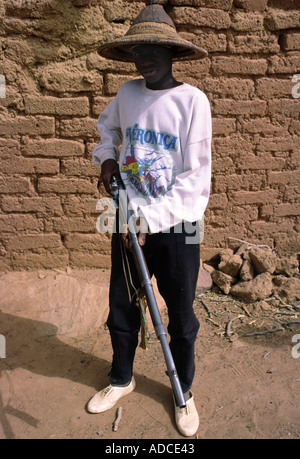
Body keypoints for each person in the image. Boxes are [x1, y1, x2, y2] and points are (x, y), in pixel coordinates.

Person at [87, 1, 212, 437]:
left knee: (180, 314)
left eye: (155, 50)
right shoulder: (127, 94)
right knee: (121, 306)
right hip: (127, 220)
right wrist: (105, 159)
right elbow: (108, 133)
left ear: (173, 54)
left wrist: (150, 219)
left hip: (178, 225)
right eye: (138, 51)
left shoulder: (191, 101)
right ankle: (122, 378)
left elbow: (195, 178)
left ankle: (183, 391)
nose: (145, 58)